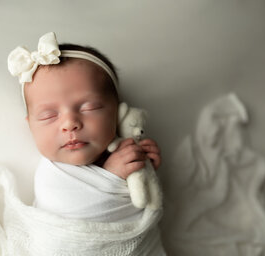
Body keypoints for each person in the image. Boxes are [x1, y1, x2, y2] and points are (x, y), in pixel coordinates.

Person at [8, 32, 163, 223]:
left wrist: (143, 167)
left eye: (89, 107)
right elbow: (69, 214)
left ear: (117, 113)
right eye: (49, 115)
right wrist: (111, 177)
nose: (69, 123)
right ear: (31, 126)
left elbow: (142, 203)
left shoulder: (123, 147)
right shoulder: (51, 178)